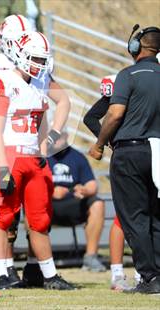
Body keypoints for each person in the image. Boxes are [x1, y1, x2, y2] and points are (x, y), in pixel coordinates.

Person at [0, 14, 71, 289]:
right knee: (5, 216)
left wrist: (46, 142)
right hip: (8, 153)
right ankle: (4, 272)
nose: (40, 63)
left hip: (32, 156)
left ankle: (46, 275)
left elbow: (56, 108)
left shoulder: (37, 77)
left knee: (39, 217)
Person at [89, 25, 160, 294]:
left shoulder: (128, 74)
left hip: (130, 152)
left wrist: (98, 144)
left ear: (135, 47)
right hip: (158, 151)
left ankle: (150, 277)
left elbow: (115, 113)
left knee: (134, 217)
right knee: (156, 215)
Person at [84, 74, 142, 290]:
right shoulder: (126, 83)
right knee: (125, 216)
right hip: (134, 154)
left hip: (146, 152)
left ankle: (144, 272)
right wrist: (110, 141)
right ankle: (119, 273)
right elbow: (91, 117)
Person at [48, 132, 106, 272]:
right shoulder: (42, 156)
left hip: (73, 205)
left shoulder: (77, 157)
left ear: (66, 136)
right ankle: (38, 262)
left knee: (97, 203)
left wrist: (85, 190)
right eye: (52, 136)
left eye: (59, 136)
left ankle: (90, 257)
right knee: (32, 204)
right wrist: (49, 191)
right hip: (48, 205)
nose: (56, 140)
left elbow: (93, 185)